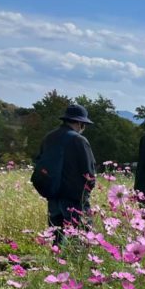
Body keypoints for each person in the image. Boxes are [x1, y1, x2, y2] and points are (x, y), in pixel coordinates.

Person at [35, 104, 96, 247]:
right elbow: (89, 173)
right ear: (80, 123)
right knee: (81, 241)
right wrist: (85, 194)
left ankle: (55, 267)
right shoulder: (80, 140)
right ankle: (77, 268)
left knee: (57, 239)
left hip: (53, 196)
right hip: (74, 200)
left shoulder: (49, 137)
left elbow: (39, 162)